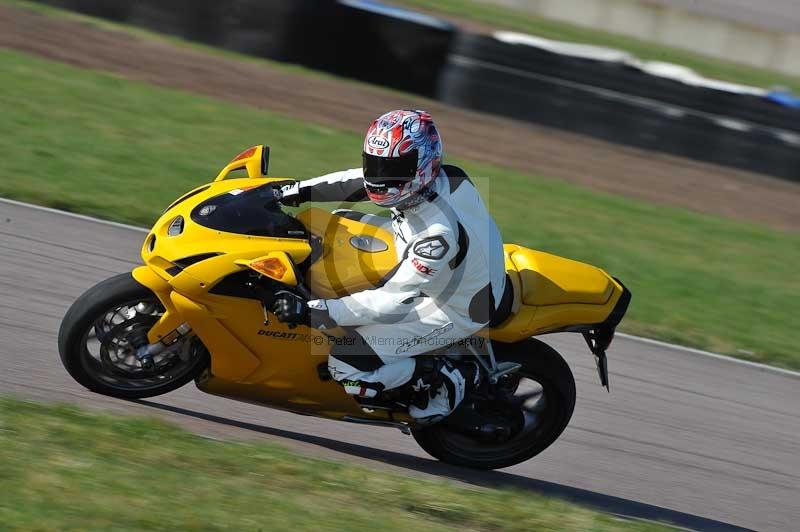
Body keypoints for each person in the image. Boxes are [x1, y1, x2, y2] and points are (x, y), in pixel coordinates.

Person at [272, 109, 507, 426]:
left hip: (453, 306)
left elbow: (393, 299)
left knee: (346, 365)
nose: (379, 176)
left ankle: (443, 378)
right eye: (376, 163)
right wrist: (292, 190)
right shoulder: (442, 177)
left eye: (391, 168)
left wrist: (315, 312)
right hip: (437, 261)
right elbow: (357, 181)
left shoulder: (437, 235)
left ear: (424, 164)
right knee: (336, 221)